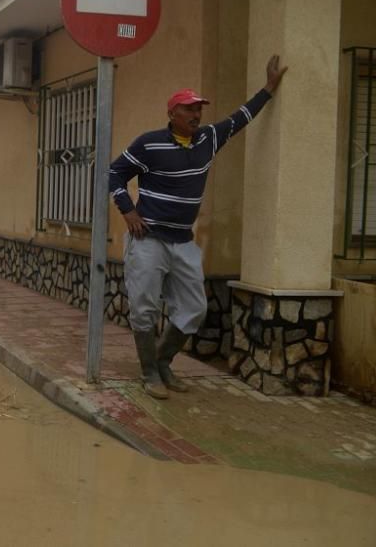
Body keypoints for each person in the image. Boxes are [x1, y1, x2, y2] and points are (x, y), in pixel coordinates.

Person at [108, 55, 288, 399]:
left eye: (199, 110)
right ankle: (150, 374)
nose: (195, 115)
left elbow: (241, 118)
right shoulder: (149, 144)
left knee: (194, 307)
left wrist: (268, 87)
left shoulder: (208, 139)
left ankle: (162, 362)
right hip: (148, 240)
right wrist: (127, 210)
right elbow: (115, 173)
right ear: (172, 114)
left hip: (182, 242)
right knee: (144, 307)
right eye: (188, 109)